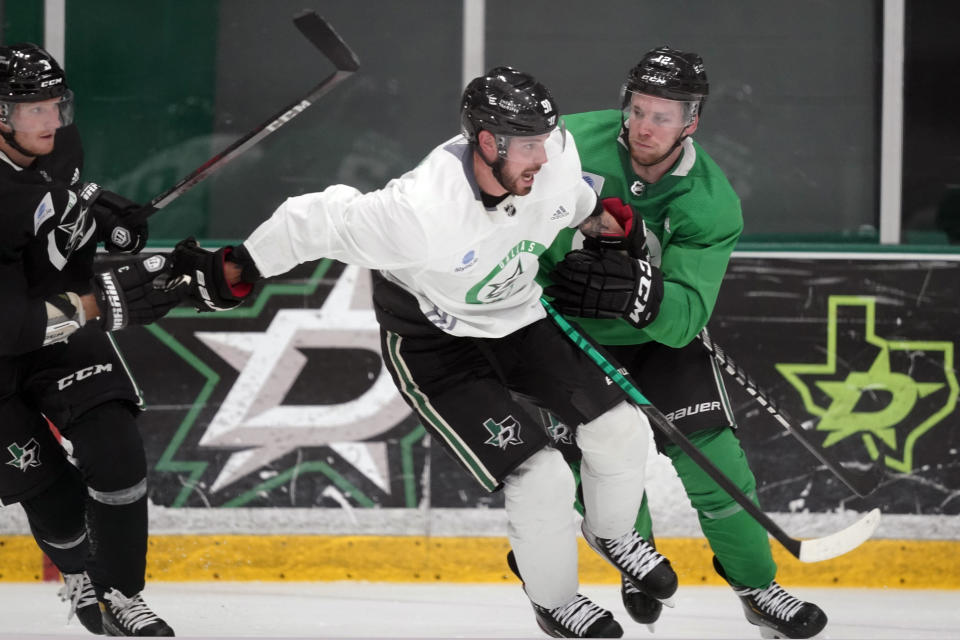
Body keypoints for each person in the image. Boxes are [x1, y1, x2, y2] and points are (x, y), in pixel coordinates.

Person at [170, 66, 678, 638]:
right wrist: (240, 266)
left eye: (545, 139)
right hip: (434, 345)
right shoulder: (417, 214)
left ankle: (610, 532)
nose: (543, 154)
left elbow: (572, 198)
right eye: (528, 145)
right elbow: (314, 219)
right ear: (488, 142)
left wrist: (608, 226)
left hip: (516, 318)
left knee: (623, 430)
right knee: (543, 478)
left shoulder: (552, 158)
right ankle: (555, 600)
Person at [538, 47, 829, 639]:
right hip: (568, 336)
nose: (645, 126)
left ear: (691, 121)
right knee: (599, 464)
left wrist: (635, 292)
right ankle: (633, 556)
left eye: (664, 116)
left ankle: (756, 585)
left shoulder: (711, 201)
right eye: (638, 110)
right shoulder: (565, 144)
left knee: (718, 467)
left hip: (658, 344)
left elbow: (681, 320)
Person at [0, 43, 184, 636]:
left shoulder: (57, 140)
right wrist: (96, 301)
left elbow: (67, 196)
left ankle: (122, 594)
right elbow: (8, 324)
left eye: (57, 105)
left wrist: (112, 219)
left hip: (61, 333)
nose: (52, 120)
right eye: (34, 110)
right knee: (53, 500)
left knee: (117, 453)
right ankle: (78, 567)